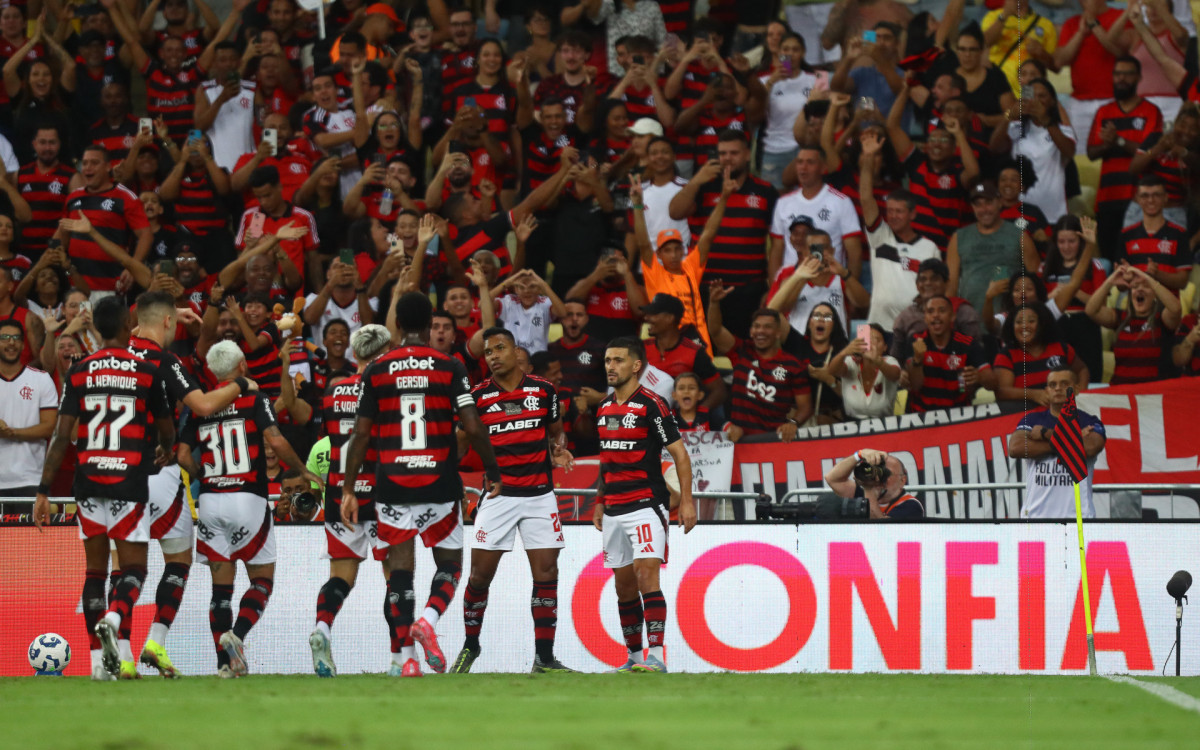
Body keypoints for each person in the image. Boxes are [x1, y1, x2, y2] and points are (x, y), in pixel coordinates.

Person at [340, 292, 501, 678]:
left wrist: (348, 488)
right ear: (431, 324)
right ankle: (429, 619)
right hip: (439, 481)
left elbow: (361, 435)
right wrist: (493, 470)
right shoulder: (449, 365)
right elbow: (473, 426)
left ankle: (408, 659)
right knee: (450, 564)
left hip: (391, 483)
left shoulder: (376, 370)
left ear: (397, 325)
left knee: (399, 571)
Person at [32, 296, 175, 681]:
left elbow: (62, 436)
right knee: (133, 569)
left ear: (96, 328)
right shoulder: (146, 371)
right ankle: (114, 617)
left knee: (94, 572)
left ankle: (98, 665)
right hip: (128, 480)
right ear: (130, 326)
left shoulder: (79, 371)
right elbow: (167, 430)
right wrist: (163, 448)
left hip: (88, 479)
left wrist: (44, 491)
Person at [126, 290, 261, 678]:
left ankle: (118, 651)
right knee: (177, 563)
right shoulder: (166, 361)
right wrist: (241, 386)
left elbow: (132, 329)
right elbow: (202, 406)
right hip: (162, 471)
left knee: (122, 569)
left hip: (119, 475)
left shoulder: (114, 356)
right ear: (169, 322)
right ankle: (155, 641)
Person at [176, 339, 320, 678]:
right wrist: (302, 470)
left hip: (210, 501)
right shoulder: (254, 399)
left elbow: (183, 456)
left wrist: (206, 478)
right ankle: (237, 636)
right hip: (249, 499)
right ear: (242, 367)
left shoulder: (201, 406)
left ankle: (225, 665)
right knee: (262, 581)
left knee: (220, 590)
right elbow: (276, 440)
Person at [451, 327, 576, 674]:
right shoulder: (476, 397)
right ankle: (470, 646)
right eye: (487, 352)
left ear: (516, 351)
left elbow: (555, 431)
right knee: (479, 577)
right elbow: (459, 445)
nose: (492, 356)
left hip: (539, 495)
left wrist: (558, 449)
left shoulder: (545, 390)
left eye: (499, 349)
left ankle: (544, 658)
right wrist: (452, 481)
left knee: (547, 573)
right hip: (498, 496)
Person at [593, 336, 695, 673]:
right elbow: (606, 461)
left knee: (646, 575)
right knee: (623, 585)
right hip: (613, 507)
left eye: (618, 360)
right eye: (608, 360)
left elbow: (679, 453)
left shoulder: (653, 404)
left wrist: (688, 502)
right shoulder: (604, 408)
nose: (611, 366)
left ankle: (657, 657)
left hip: (646, 504)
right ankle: (634, 657)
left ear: (636, 366)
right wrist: (598, 500)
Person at [307, 324, 392, 677]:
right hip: (382, 491)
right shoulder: (384, 389)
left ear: (355, 354)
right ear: (384, 354)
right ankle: (401, 654)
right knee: (396, 577)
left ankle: (323, 627)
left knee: (341, 577)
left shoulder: (332, 390)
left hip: (340, 491)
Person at [666, 130, 779, 337]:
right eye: (722, 153)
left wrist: (770, 288)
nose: (727, 158)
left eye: (733, 153)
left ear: (747, 154)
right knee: (703, 351)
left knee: (741, 350)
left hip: (747, 290)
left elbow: (776, 244)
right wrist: (696, 180)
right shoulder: (704, 186)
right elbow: (675, 211)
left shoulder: (766, 191)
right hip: (703, 288)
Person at [858, 138, 940, 329]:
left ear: (913, 214)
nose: (892, 216)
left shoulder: (930, 248)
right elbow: (865, 197)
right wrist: (868, 157)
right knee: (859, 358)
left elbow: (938, 288)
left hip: (915, 328)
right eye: (890, 211)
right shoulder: (880, 237)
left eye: (899, 211)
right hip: (874, 326)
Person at [1087, 56, 1163, 260]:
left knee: (1138, 260)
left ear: (1138, 78)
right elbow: (1091, 152)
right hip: (1107, 197)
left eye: (1127, 74)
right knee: (1111, 260)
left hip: (1138, 198)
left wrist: (1118, 141)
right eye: (1117, 74)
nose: (1121, 79)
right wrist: (1107, 144)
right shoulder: (1104, 112)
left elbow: (1151, 152)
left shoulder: (1151, 111)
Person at [708, 296, 812, 442]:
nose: (760, 331)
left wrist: (793, 423)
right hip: (739, 440)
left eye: (767, 327)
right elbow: (715, 330)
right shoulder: (741, 351)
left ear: (778, 333)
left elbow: (805, 407)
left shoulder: (793, 365)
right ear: (751, 331)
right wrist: (714, 302)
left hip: (773, 441)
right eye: (756, 326)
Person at [1009, 368, 1107, 519]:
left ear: (1076, 389)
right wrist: (1074, 440)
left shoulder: (1090, 421)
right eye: (1052, 384)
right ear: (1047, 391)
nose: (1058, 388)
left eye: (1064, 383)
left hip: (1079, 519)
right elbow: (1016, 449)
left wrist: (1045, 434)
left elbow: (1089, 448)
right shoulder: (1031, 420)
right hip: (1035, 518)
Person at [63, 145, 152, 295]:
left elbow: (146, 235)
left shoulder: (125, 197)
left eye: (94, 163)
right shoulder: (73, 197)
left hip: (111, 288)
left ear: (108, 167)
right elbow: (63, 235)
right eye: (84, 163)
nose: (88, 168)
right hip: (77, 290)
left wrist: (133, 268)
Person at [770, 145, 864, 280]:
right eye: (800, 162)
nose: (803, 167)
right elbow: (776, 251)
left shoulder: (841, 202)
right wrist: (775, 289)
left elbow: (855, 253)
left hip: (829, 286)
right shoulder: (783, 203)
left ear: (823, 168)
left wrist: (850, 288)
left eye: (810, 162)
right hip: (791, 287)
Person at [990, 78, 1077, 223]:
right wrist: (1008, 117)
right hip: (1021, 211)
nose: (1036, 101)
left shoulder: (1062, 129)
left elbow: (1069, 152)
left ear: (1053, 102)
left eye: (1042, 96)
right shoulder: (1016, 127)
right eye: (1032, 96)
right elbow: (994, 148)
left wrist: (1046, 120)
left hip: (1053, 213)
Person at [946, 182, 1038, 315]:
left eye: (988, 202)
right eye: (978, 204)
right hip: (970, 321)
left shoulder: (1020, 236)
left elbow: (1036, 283)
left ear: (1000, 203)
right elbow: (951, 287)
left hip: (1010, 322)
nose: (984, 209)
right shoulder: (958, 238)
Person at [1085, 263, 1182, 384]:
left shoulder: (1161, 319)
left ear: (1155, 295)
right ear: (1130, 295)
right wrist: (1110, 281)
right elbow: (1090, 310)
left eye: (1145, 286)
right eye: (1135, 286)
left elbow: (1176, 309)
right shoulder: (1120, 317)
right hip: (1121, 392)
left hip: (1153, 395)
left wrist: (1148, 278)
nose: (1139, 289)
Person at [1054, 0, 1134, 140]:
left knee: (1113, 152)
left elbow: (1120, 53)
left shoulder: (1119, 17)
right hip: (1079, 102)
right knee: (1079, 155)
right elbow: (1060, 61)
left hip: (1113, 99)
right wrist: (1080, 33)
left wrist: (1094, 25)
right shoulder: (1072, 23)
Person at [904, 295, 990, 413]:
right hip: (922, 417)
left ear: (952, 316)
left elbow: (993, 383)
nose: (936, 315)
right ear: (925, 318)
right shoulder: (916, 340)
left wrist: (979, 377)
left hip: (959, 416)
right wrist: (918, 360)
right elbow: (915, 386)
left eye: (942, 311)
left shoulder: (968, 344)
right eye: (930, 311)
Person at [0, 319, 56, 497]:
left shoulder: (41, 379)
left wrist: (12, 432)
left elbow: (49, 427)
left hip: (30, 479)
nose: (11, 342)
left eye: (16, 338)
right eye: (5, 337)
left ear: (23, 344)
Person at [642, 293, 726, 411]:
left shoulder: (694, 352)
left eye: (653, 314)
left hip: (678, 425)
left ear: (669, 318)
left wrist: (697, 415)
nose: (646, 318)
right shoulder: (641, 348)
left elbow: (719, 391)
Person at [1118, 175, 1191, 292]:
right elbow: (1120, 286)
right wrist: (1126, 279)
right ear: (1137, 199)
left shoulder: (1179, 234)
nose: (1151, 200)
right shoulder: (1126, 235)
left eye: (1156, 195)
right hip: (1135, 307)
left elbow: (1183, 281)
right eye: (1145, 195)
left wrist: (1158, 274)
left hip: (1168, 309)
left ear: (1166, 197)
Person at [824, 448, 924, 519]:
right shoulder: (863, 492)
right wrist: (858, 455)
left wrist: (869, 489)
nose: (880, 479)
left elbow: (882, 530)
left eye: (886, 473)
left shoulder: (911, 504)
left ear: (902, 480)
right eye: (879, 471)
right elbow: (832, 479)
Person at [830, 323, 901, 420]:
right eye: (867, 338)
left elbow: (895, 375)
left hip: (884, 425)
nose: (871, 342)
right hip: (851, 423)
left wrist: (877, 360)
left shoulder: (889, 361)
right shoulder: (851, 361)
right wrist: (845, 352)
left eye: (876, 340)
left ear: (885, 347)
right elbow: (833, 370)